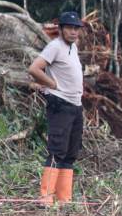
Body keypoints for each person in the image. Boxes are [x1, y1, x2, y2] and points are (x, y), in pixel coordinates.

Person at [28, 11, 84, 204]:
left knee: (70, 152)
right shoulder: (55, 46)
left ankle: (64, 199)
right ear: (60, 29)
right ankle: (46, 197)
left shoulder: (73, 48)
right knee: (57, 150)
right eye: (69, 28)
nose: (74, 32)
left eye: (76, 28)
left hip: (75, 105)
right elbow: (34, 68)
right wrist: (51, 84)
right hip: (60, 103)